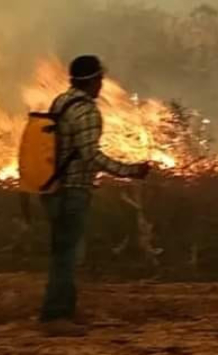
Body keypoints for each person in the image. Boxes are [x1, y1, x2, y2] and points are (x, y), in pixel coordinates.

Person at [39, 55, 150, 337]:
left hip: (53, 187)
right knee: (68, 254)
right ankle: (55, 316)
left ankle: (66, 309)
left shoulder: (61, 101)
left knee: (64, 251)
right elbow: (90, 156)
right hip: (73, 190)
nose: (102, 84)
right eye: (100, 79)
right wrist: (129, 171)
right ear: (92, 81)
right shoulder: (86, 110)